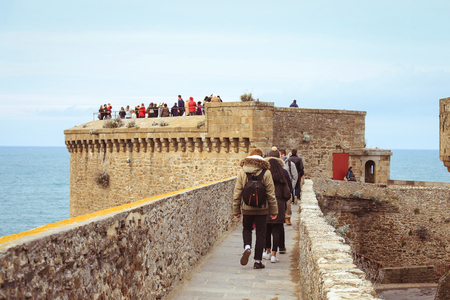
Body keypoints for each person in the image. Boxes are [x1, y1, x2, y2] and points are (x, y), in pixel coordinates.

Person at [233, 148, 278, 269]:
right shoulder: (266, 172)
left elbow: (237, 192)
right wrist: (274, 211)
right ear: (262, 158)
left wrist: (236, 210)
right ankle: (257, 261)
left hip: (246, 207)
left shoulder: (242, 171)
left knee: (247, 229)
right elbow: (270, 194)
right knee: (261, 233)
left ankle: (247, 247)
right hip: (262, 208)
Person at [262, 148, 291, 264]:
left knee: (267, 229)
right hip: (279, 205)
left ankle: (267, 251)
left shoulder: (264, 172)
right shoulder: (283, 173)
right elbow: (287, 193)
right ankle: (274, 254)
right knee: (277, 230)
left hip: (267, 205)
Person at [280, 149, 298, 226]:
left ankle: (288, 217)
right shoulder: (277, 164)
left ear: (283, 155)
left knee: (288, 204)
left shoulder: (291, 164)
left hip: (287, 187)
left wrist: (292, 187)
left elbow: (295, 176)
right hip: (279, 187)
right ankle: (280, 217)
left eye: (280, 154)